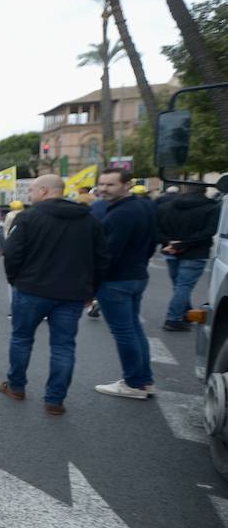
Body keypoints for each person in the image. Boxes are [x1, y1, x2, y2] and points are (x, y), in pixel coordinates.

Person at [0, 175, 109, 415]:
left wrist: (15, 281)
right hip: (71, 294)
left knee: (21, 339)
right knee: (63, 346)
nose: (29, 195)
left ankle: (16, 386)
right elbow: (102, 259)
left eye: (31, 190)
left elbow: (12, 253)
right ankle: (55, 400)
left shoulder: (28, 217)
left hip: (31, 290)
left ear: (44, 190)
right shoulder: (89, 220)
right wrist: (92, 290)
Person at [91, 167, 159, 400]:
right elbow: (153, 242)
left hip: (116, 280)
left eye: (110, 185)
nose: (103, 189)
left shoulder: (121, 213)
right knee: (134, 329)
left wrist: (93, 282)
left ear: (127, 185)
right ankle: (144, 380)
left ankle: (133, 383)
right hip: (137, 275)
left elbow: (109, 253)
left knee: (124, 333)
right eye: (101, 184)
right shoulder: (144, 206)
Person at [157, 186, 220, 331]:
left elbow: (156, 228)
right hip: (196, 252)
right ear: (203, 192)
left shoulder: (166, 206)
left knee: (179, 286)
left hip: (171, 250)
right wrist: (184, 244)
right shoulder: (211, 207)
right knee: (183, 286)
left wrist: (169, 242)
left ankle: (185, 313)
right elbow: (209, 231)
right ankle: (173, 318)